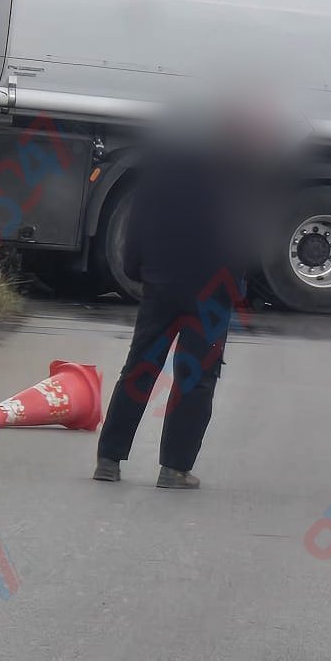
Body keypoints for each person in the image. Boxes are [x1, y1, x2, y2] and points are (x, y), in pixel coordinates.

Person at [93, 108, 265, 488]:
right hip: (212, 292)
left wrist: (138, 270)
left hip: (162, 284)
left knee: (140, 368)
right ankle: (174, 468)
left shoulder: (163, 170)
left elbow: (136, 226)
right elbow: (245, 239)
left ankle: (109, 460)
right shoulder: (238, 177)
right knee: (197, 377)